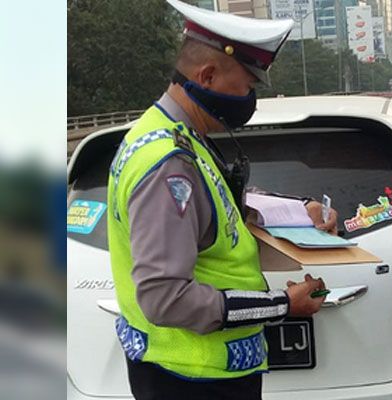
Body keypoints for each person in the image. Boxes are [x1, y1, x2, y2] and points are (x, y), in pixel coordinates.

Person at [107, 1, 337, 399]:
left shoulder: (176, 134)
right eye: (247, 86)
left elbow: (217, 206)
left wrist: (301, 211)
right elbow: (166, 298)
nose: (250, 98)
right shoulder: (168, 165)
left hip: (201, 373)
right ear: (208, 75)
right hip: (191, 378)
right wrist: (282, 304)